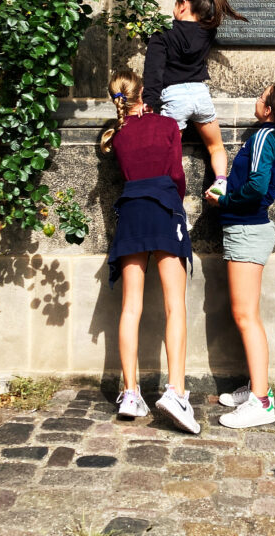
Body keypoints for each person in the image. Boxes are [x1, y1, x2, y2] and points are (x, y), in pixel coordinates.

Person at [101, 67, 200, 435]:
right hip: (162, 206)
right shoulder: (166, 126)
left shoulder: (119, 134)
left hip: (130, 212)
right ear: (145, 92)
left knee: (130, 307)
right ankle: (175, 391)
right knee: (176, 305)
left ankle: (130, 393)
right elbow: (177, 175)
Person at [204, 82, 275, 429]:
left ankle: (261, 402)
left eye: (262, 97)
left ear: (269, 111)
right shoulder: (272, 135)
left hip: (247, 230)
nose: (257, 99)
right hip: (247, 230)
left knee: (245, 316)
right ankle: (256, 389)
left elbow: (259, 187)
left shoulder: (264, 136)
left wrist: (224, 201)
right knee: (247, 314)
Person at [142, 0, 247, 198]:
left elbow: (154, 70)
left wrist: (149, 100)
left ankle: (170, 194)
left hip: (174, 97)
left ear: (183, 5)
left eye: (175, 2)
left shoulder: (163, 33)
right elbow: (208, 15)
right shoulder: (207, 32)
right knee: (216, 146)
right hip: (200, 95)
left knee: (169, 153)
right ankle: (221, 181)